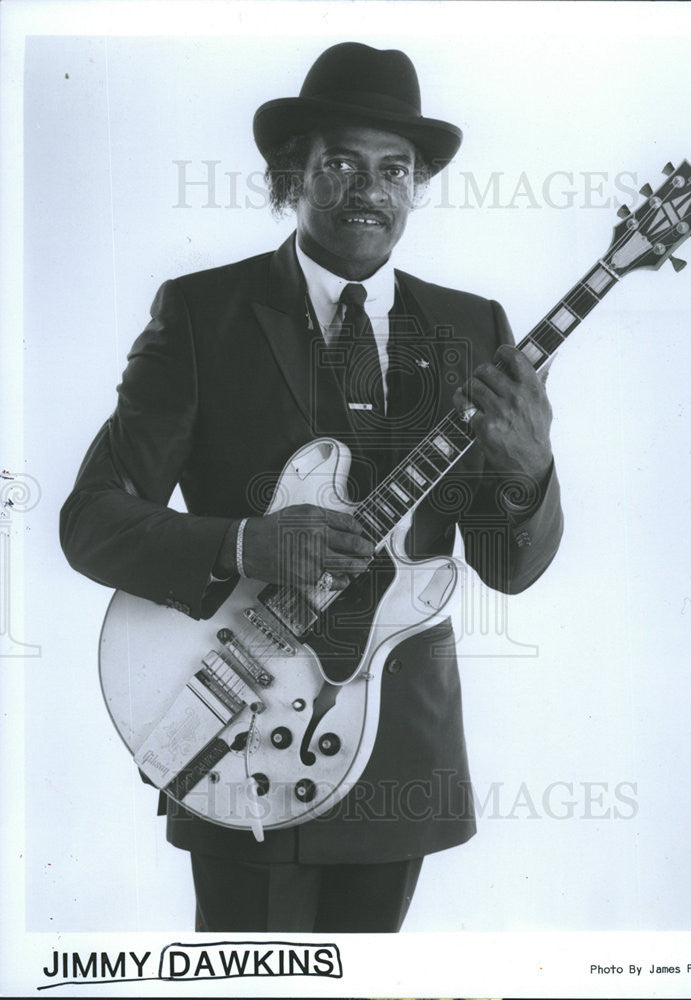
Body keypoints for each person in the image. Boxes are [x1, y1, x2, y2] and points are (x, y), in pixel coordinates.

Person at [60, 41, 563, 933]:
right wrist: (247, 542)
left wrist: (528, 477)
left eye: (393, 169)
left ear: (413, 187)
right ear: (290, 176)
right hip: (232, 715)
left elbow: (504, 567)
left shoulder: (470, 325)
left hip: (398, 749)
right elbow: (91, 521)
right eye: (339, 163)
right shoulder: (202, 312)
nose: (368, 188)